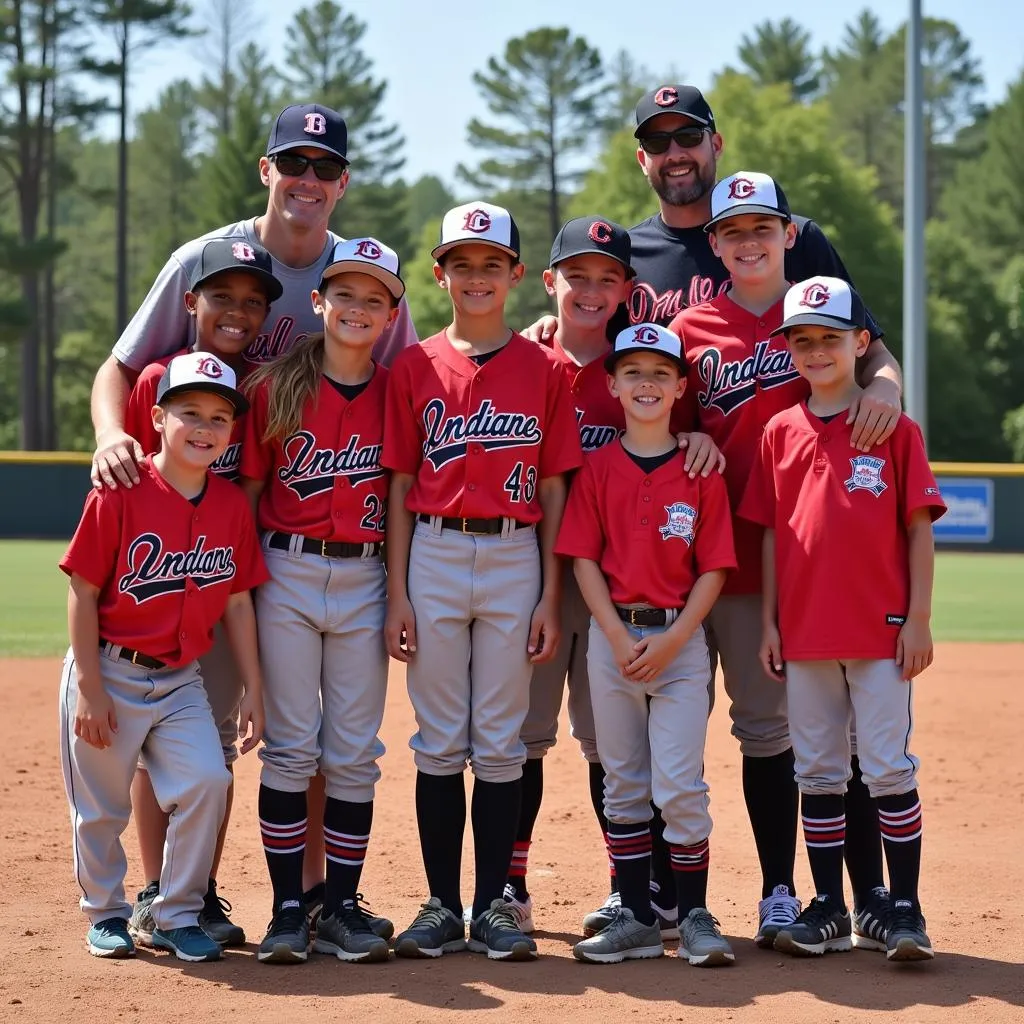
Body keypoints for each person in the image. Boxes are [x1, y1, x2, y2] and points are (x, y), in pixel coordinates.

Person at [91, 101, 417, 935]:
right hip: (197, 521)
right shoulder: (208, 259)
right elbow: (121, 367)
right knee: (178, 710)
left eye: (323, 167)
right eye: (293, 163)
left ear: (342, 183)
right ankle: (168, 892)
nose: (307, 179)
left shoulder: (358, 276)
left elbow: (412, 382)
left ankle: (309, 898)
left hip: (262, 534)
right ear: (266, 170)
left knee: (280, 728)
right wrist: (108, 438)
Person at [665, 171, 899, 948]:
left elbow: (879, 361)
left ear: (789, 234)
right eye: (732, 231)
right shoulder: (693, 327)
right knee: (695, 732)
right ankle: (707, 892)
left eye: (763, 227)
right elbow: (659, 412)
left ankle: (833, 892)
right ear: (715, 243)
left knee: (807, 738)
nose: (749, 241)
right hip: (710, 560)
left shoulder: (820, 311)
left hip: (804, 568)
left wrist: (889, 387)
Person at [506, 216, 719, 939]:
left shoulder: (638, 368)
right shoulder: (527, 360)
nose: (592, 291)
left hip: (618, 591)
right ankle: (511, 885)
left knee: (611, 747)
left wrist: (695, 439)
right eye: (579, 275)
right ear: (551, 283)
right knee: (525, 738)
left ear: (628, 289)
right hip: (533, 576)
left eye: (608, 277)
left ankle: (638, 892)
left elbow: (682, 440)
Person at [382, 202, 582, 962]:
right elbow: (401, 483)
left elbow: (558, 488)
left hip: (514, 553)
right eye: (461, 263)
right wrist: (399, 590)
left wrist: (551, 595)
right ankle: (440, 902)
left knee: (499, 744)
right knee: (438, 742)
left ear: (516, 274)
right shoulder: (414, 366)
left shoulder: (549, 371)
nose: (475, 276)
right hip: (432, 549)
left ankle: (495, 904)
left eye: (490, 263)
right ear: (439, 274)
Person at [740, 276, 945, 962]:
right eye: (803, 340)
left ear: (862, 343)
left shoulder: (894, 429)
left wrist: (918, 618)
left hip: (880, 630)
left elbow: (918, 529)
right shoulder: (778, 431)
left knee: (886, 768)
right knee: (820, 771)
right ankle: (828, 904)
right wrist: (769, 622)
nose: (817, 351)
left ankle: (903, 907)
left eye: (831, 338)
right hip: (804, 633)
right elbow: (770, 534)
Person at [58, 352, 267, 963]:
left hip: (180, 679)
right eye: (189, 413)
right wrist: (91, 690)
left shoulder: (230, 505)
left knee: (207, 779)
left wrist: (254, 685)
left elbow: (238, 603)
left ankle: (176, 913)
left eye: (219, 418)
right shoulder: (120, 491)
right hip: (110, 668)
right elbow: (83, 591)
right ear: (156, 417)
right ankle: (105, 912)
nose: (204, 428)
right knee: (101, 806)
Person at [240, 237, 404, 965]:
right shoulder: (277, 386)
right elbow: (246, 496)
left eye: (374, 298)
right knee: (290, 748)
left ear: (393, 313)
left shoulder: (397, 389)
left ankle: (338, 906)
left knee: (353, 754)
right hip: (287, 574)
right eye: (345, 294)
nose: (358, 308)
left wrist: (396, 592)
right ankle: (284, 909)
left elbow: (400, 498)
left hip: (367, 576)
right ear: (319, 301)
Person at [558, 323, 738, 967]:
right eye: (632, 372)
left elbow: (714, 567)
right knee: (625, 783)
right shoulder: (599, 468)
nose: (646, 383)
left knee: (680, 783)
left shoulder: (699, 471)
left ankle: (692, 916)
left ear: (681, 387)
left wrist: (677, 638)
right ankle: (635, 917)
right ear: (611, 385)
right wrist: (612, 633)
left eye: (661, 373)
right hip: (613, 641)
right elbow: (582, 559)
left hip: (680, 644)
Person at [120, 237, 281, 948]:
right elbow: (134, 489)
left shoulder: (266, 385)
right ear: (191, 302)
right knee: (155, 746)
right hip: (157, 589)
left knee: (213, 749)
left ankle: (200, 888)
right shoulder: (160, 379)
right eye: (223, 296)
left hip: (226, 587)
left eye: (253, 301)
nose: (237, 312)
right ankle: (155, 886)